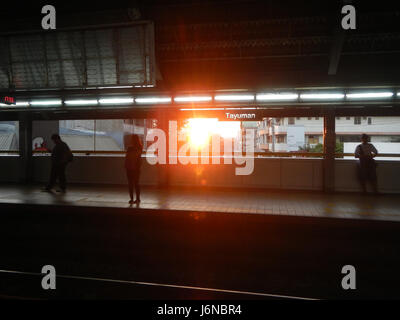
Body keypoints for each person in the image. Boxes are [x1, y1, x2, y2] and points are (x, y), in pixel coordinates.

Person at [125, 134, 143, 204]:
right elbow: (138, 158)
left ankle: (131, 199)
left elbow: (127, 158)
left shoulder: (130, 148)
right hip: (136, 168)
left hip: (129, 168)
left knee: (130, 184)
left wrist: (126, 166)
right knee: (136, 183)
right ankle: (138, 199)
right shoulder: (139, 148)